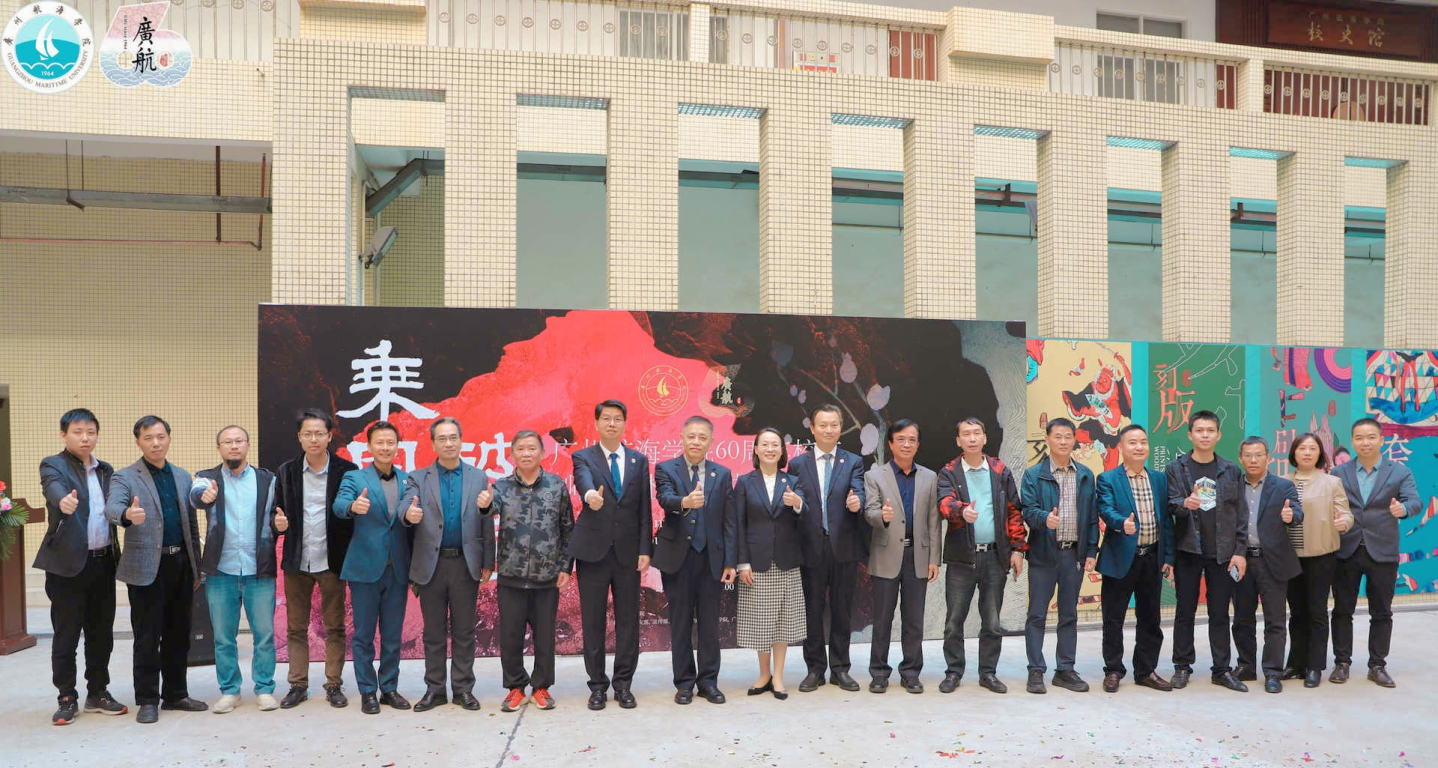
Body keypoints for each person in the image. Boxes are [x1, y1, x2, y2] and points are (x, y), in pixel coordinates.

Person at [104, 415, 207, 724]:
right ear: (138, 441)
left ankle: (175, 694)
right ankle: (148, 699)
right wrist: (127, 515)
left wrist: (196, 567)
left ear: (169, 439)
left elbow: (191, 525)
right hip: (146, 567)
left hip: (181, 564)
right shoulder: (124, 477)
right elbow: (111, 508)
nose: (156, 443)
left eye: (161, 436)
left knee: (179, 635)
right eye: (148, 438)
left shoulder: (182, 476)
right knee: (147, 636)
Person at [34, 409, 127, 724]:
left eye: (91, 431)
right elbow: (52, 487)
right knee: (67, 634)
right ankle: (66, 696)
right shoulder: (53, 464)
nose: (85, 437)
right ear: (64, 435)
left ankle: (98, 692)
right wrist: (63, 500)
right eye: (77, 431)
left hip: (103, 562)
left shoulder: (106, 470)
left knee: (101, 635)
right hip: (67, 566)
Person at [400, 417, 495, 712]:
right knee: (433, 633)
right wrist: (408, 515)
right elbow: (406, 504)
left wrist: (488, 560)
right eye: (442, 438)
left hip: (465, 564)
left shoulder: (478, 477)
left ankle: (463, 689)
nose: (448, 443)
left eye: (453, 437)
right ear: (433, 443)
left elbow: (486, 518)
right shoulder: (418, 477)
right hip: (431, 565)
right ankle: (435, 689)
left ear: (461, 440)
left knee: (465, 631)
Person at [192, 426, 286, 713]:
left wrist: (280, 525)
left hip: (260, 569)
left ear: (247, 445)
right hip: (221, 571)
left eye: (238, 441)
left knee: (264, 635)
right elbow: (195, 496)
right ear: (219, 447)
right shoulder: (206, 478)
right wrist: (203, 497)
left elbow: (278, 515)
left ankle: (264, 688)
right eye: (227, 442)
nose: (233, 446)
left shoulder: (268, 479)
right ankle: (230, 690)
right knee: (223, 638)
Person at [567, 400, 652, 711]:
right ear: (597, 423)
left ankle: (623, 685)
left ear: (624, 424)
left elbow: (644, 508)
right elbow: (583, 482)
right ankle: (598, 686)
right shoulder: (583, 456)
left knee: (628, 621)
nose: (612, 424)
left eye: (617, 419)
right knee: (593, 621)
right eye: (606, 419)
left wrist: (645, 549)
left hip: (628, 553)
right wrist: (590, 496)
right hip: (593, 552)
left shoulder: (639, 460)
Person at [274, 408, 358, 709]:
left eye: (319, 433)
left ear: (329, 436)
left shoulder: (347, 470)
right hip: (298, 560)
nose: (314, 439)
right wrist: (277, 524)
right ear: (299, 437)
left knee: (335, 626)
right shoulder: (286, 471)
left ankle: (333, 685)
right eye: (307, 433)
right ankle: (298, 685)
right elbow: (275, 512)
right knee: (296, 628)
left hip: (332, 560)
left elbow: (351, 514)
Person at [936, 418, 1026, 694]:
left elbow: (1014, 510)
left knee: (992, 622)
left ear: (985, 438)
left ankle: (988, 673)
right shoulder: (949, 472)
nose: (972, 438)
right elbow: (944, 503)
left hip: (995, 558)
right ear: (958, 441)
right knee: (954, 621)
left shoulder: (1000, 470)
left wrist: (1018, 550)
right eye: (966, 434)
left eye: (977, 433)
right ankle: (954, 672)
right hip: (961, 559)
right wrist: (961, 511)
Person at [1330, 417, 1420, 687]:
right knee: (1342, 610)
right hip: (1346, 549)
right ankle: (1342, 663)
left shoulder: (1399, 471)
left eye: (1371, 437)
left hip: (1383, 550)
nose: (1365, 442)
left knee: (1381, 612)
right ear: (1352, 441)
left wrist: (1403, 509)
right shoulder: (1339, 473)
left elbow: (1415, 501)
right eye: (1359, 437)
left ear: (1382, 440)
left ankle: (1377, 665)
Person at [1164, 410, 1249, 691]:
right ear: (1190, 435)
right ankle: (1182, 666)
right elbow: (1169, 504)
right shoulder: (1175, 468)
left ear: (1218, 435)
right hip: (1188, 550)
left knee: (1220, 613)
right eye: (1199, 430)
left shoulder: (1231, 470)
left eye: (1210, 430)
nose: (1204, 435)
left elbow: (1241, 514)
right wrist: (1183, 504)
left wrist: (1239, 550)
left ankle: (1221, 669)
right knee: (1184, 612)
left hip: (1222, 553)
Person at [491, 430, 574, 712]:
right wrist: (483, 505)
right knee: (510, 637)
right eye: (520, 449)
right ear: (512, 454)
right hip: (510, 576)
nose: (526, 453)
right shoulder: (501, 487)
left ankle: (541, 687)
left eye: (531, 448)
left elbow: (567, 528)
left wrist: (565, 566)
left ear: (542, 452)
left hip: (546, 576)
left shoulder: (556, 485)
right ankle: (515, 688)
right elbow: (487, 511)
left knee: (545, 636)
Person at [333, 421, 413, 714]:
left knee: (392, 635)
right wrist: (352, 507)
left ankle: (389, 688)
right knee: (364, 635)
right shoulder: (355, 478)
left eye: (390, 442)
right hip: (364, 568)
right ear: (369, 447)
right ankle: (367, 690)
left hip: (398, 569)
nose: (385, 447)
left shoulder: (408, 480)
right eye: (379, 442)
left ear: (397, 446)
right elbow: (339, 505)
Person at [722, 427, 806, 701]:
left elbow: (806, 515)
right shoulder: (745, 482)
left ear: (782, 451)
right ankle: (763, 674)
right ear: (756, 450)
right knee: (761, 622)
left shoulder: (793, 481)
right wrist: (742, 563)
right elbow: (737, 524)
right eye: (765, 444)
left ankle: (778, 676)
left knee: (782, 622)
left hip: (786, 562)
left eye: (775, 445)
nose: (770, 449)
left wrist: (797, 503)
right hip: (755, 563)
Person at [653, 416, 732, 705]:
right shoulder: (665, 468)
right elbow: (665, 498)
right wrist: (685, 502)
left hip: (711, 560)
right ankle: (684, 683)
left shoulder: (722, 474)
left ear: (711, 441)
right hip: (678, 560)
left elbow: (729, 521)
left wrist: (730, 562)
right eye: (691, 436)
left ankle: (709, 682)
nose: (696, 441)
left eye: (702, 437)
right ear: (682, 438)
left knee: (710, 624)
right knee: (681, 623)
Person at [1019, 417, 1098, 694]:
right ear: (1048, 440)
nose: (1063, 442)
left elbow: (1091, 517)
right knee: (1037, 615)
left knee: (1069, 614)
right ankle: (1035, 670)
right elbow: (1027, 510)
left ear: (1074, 440)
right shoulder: (1033, 474)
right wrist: (1044, 519)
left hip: (1073, 555)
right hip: (1043, 555)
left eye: (1068, 437)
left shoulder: (1085, 474)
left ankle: (1065, 669)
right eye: (1057, 436)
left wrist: (1091, 550)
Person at [791, 404, 866, 694]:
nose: (828, 430)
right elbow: (797, 498)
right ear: (812, 428)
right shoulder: (798, 464)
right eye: (822, 425)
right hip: (811, 546)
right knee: (812, 609)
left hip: (843, 547)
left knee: (841, 609)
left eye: (834, 424)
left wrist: (857, 502)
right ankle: (814, 669)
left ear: (841, 428)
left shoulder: (853, 461)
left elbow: (859, 490)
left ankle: (840, 668)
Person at [863, 420, 941, 694]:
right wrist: (881, 516)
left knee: (914, 620)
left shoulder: (929, 477)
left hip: (917, 556)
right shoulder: (875, 476)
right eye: (901, 439)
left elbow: (934, 521)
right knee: (882, 620)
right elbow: (869, 511)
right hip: (886, 555)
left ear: (918, 444)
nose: (906, 444)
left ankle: (911, 672)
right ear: (891, 443)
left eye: (912, 439)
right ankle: (879, 673)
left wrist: (934, 558)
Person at [1095, 424, 1174, 693]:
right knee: (1113, 618)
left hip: (1151, 557)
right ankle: (1113, 670)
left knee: (1150, 617)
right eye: (1132, 442)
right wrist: (1121, 523)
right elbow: (1105, 508)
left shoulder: (1159, 479)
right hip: (1120, 559)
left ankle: (1145, 671)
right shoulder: (1108, 478)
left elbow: (1166, 521)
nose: (1139, 447)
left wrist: (1168, 556)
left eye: (1143, 442)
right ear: (1120, 447)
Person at [1231, 437, 1303, 693]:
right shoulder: (1232, 486)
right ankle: (1246, 666)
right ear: (1240, 459)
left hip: (1272, 561)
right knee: (1242, 618)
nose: (1253, 460)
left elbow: (1298, 512)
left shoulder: (1283, 486)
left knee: (1275, 620)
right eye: (1248, 455)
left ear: (1268, 458)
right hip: (1241, 560)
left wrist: (1291, 515)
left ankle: (1273, 672)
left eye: (1258, 455)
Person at [1281, 432, 1352, 688]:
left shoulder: (1331, 483)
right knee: (1296, 613)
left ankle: (1314, 666)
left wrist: (1344, 523)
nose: (1307, 452)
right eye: (1302, 448)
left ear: (1320, 453)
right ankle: (1296, 663)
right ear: (1294, 453)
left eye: (1312, 448)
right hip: (1290, 557)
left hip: (1321, 556)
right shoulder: (1282, 482)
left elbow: (1345, 513)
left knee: (1317, 612)